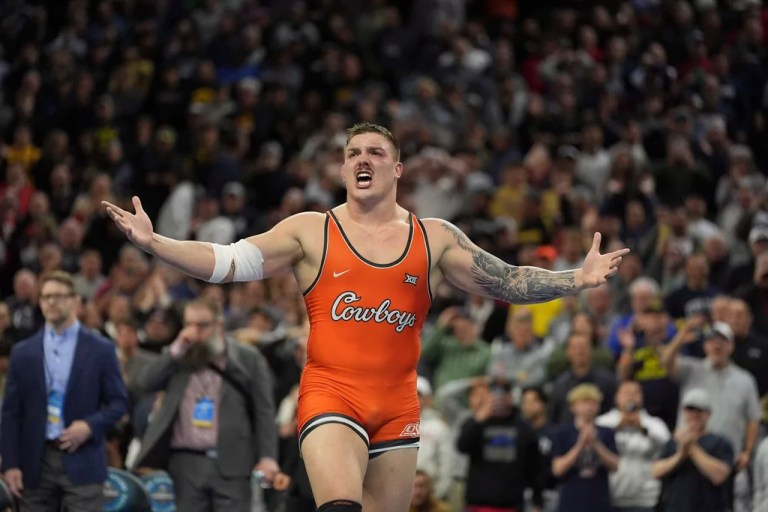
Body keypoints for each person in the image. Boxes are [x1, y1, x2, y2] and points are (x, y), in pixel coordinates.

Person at [103, 122, 629, 512]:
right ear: (342, 169)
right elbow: (228, 262)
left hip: (398, 405)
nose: (363, 159)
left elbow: (508, 281)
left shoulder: (434, 237)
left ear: (397, 169)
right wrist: (157, 244)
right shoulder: (310, 231)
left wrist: (573, 281)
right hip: (332, 393)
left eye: (376, 152)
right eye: (353, 152)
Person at [130, 298, 281, 512]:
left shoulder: (248, 359)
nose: (193, 333)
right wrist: (174, 351)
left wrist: (268, 457)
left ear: (218, 324)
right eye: (188, 325)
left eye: (201, 325)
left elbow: (264, 411)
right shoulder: (179, 357)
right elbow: (143, 384)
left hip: (232, 462)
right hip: (185, 464)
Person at [0, 271, 129, 511]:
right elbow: (10, 413)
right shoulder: (22, 352)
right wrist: (11, 464)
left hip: (84, 458)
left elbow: (119, 403)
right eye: (46, 296)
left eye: (59, 296)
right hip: (35, 462)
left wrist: (89, 426)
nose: (51, 302)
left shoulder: (101, 349)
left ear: (76, 301)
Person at [652, 389, 733, 512]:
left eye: (699, 411)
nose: (694, 415)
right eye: (690, 410)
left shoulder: (720, 442)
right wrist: (681, 454)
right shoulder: (673, 442)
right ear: (683, 412)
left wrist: (692, 448)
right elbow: (656, 471)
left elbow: (720, 476)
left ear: (708, 414)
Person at [595, 380, 670, 512]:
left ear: (642, 398)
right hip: (608, 496)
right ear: (616, 397)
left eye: (635, 393)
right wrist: (618, 427)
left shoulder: (655, 424)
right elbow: (593, 446)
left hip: (644, 499)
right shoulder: (603, 422)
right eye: (626, 393)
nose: (631, 397)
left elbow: (667, 449)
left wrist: (643, 429)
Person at [551, 384, 619, 512]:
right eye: (584, 402)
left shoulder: (607, 432)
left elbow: (615, 465)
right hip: (570, 503)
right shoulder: (562, 433)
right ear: (573, 407)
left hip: (599, 501)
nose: (589, 406)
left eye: (593, 402)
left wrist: (596, 443)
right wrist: (580, 445)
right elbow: (557, 469)